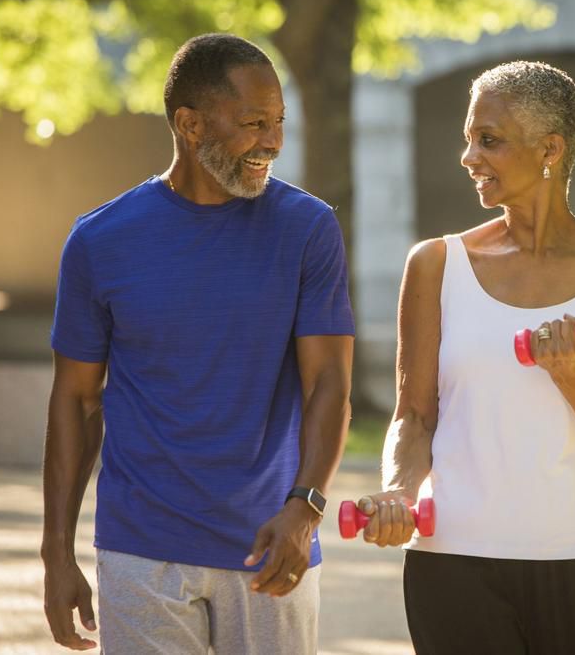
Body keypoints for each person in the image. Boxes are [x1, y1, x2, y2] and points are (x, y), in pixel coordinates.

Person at [41, 33, 354, 654]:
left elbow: (329, 382)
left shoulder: (308, 228)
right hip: (141, 551)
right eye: (254, 123)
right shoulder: (100, 241)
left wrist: (306, 508)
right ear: (190, 125)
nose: (274, 142)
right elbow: (76, 399)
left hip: (272, 543)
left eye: (279, 121)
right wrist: (56, 554)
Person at [358, 60, 575, 654]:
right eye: (469, 138)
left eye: (489, 140)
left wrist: (572, 379)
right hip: (454, 565)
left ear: (549, 149)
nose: (468, 156)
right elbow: (413, 416)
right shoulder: (436, 264)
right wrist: (398, 491)